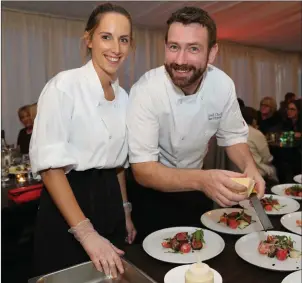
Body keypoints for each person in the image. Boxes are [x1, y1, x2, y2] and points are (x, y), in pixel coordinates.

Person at [126, 6, 265, 241]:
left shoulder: (222, 85)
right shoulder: (146, 90)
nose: (180, 60)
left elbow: (233, 138)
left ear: (211, 53)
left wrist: (249, 167)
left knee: (203, 257)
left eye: (193, 49)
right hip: (151, 194)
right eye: (174, 47)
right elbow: (143, 171)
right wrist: (203, 180)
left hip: (197, 190)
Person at [29, 3, 136, 278]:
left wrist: (124, 211)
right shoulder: (64, 86)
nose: (116, 48)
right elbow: (50, 168)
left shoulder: (123, 97)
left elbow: (118, 165)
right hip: (69, 206)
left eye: (123, 39)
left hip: (110, 202)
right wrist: (86, 234)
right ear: (88, 39)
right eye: (106, 36)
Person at [241, 107, 278, 183]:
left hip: (235, 171)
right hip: (256, 172)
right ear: (253, 120)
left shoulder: (231, 132)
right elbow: (267, 158)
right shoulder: (256, 133)